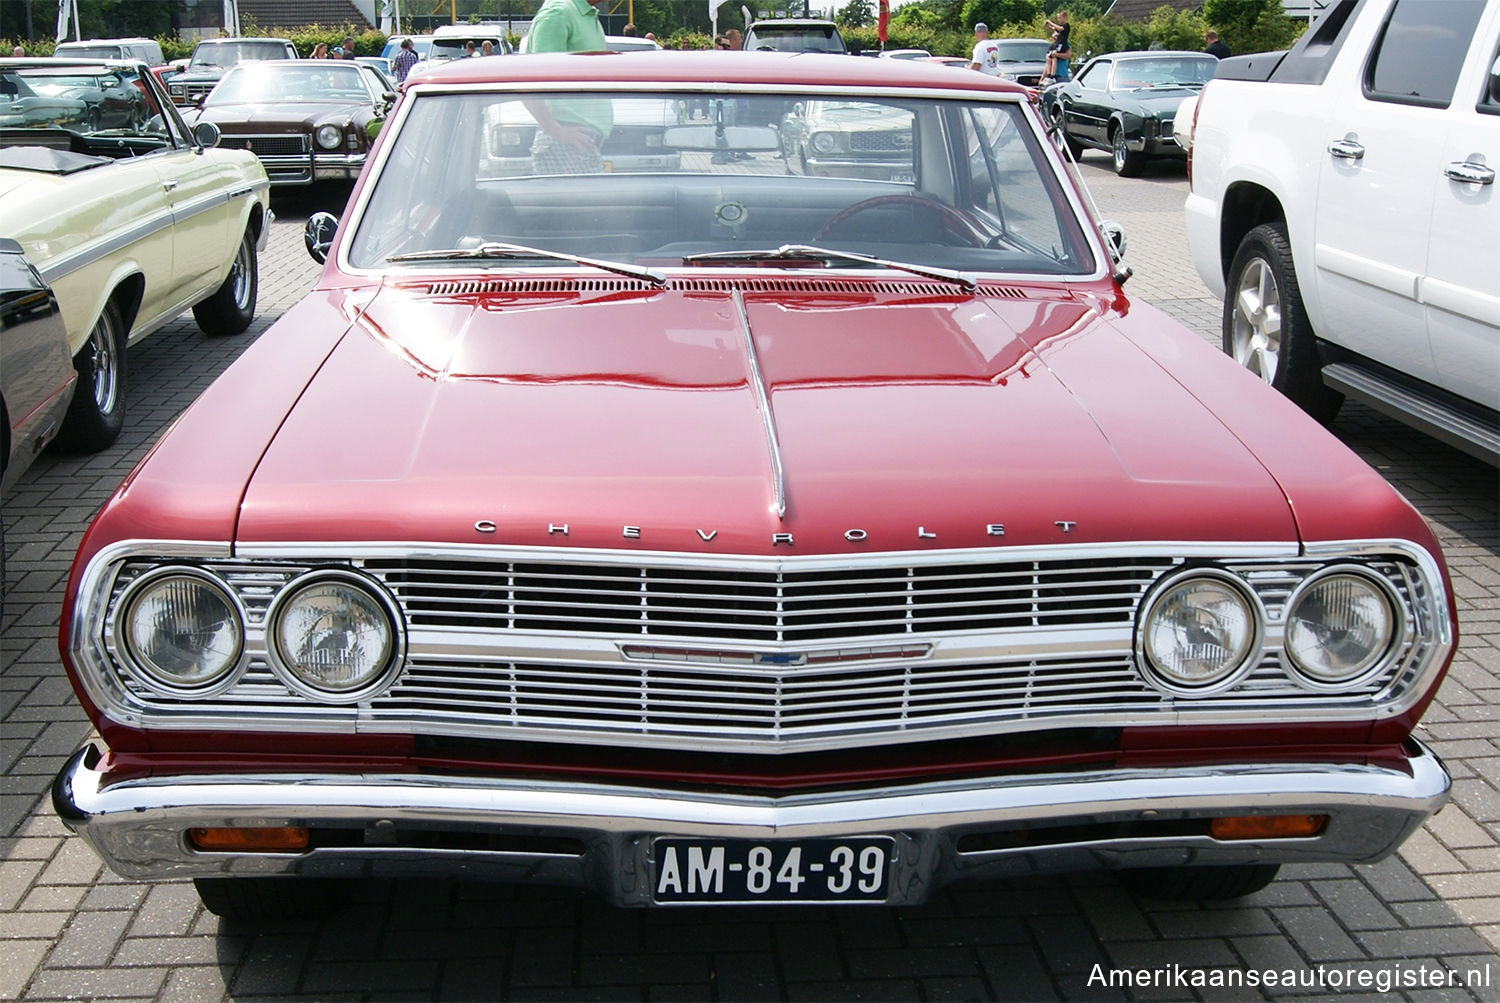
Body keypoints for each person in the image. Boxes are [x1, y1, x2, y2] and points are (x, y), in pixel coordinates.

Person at [522, 0, 612, 173]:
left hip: (577, 141)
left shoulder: (584, 14)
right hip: (565, 144)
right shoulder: (557, 13)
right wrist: (555, 130)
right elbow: (529, 83)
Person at [1041, 10, 1070, 85]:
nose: (1059, 20)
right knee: (1049, 57)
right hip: (1057, 45)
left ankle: (1051, 76)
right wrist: (1047, 25)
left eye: (1060, 18)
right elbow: (1054, 29)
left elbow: (1060, 29)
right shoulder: (1054, 42)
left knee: (1054, 56)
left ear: (1064, 17)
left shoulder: (1066, 26)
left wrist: (1050, 22)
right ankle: (1050, 75)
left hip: (1061, 45)